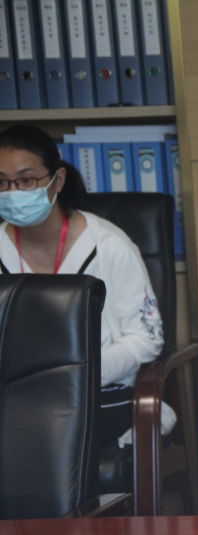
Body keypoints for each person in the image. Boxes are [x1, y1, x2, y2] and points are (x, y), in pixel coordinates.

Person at [0, 124, 166, 445]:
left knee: (41, 428)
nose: (13, 192)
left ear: (57, 180)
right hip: (14, 392)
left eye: (26, 180)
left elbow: (145, 340)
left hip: (96, 390)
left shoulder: (110, 245)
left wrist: (78, 374)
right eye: (2, 182)